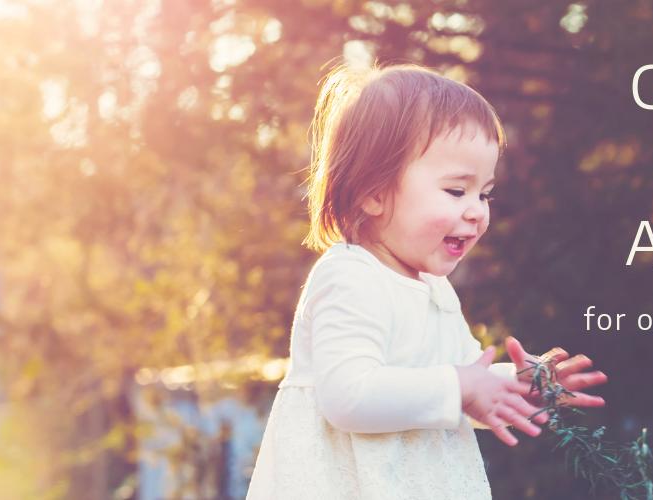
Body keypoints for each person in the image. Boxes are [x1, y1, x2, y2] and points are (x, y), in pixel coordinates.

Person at [245, 62, 609, 499]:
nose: (477, 211)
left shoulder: (434, 290)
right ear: (373, 193)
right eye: (457, 191)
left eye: (484, 194)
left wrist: (513, 385)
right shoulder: (350, 277)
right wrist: (460, 386)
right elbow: (347, 397)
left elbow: (462, 380)